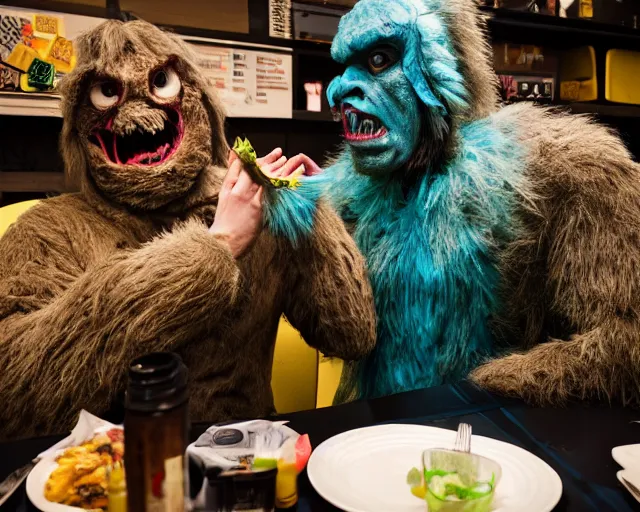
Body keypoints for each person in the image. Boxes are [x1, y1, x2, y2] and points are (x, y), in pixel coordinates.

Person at [0, 20, 376, 440]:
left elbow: (352, 332)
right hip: (109, 477)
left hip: (247, 466)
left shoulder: (256, 198)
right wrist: (213, 250)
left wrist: (313, 211)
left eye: (161, 82)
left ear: (197, 98)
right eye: (107, 93)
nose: (137, 109)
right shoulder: (49, 231)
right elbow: (14, 403)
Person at [281, 0, 640, 407]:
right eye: (343, 67)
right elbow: (347, 330)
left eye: (379, 59)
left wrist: (485, 387)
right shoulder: (352, 189)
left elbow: (625, 346)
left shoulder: (568, 170)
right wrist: (314, 218)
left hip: (505, 441)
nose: (339, 88)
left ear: (444, 62)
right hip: (378, 438)